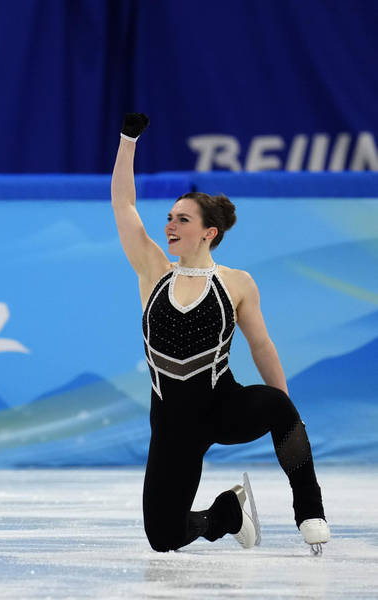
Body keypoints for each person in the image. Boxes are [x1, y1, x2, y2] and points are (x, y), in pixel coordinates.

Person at [111, 113, 330, 554]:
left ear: (208, 233)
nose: (170, 225)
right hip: (173, 425)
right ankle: (230, 513)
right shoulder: (154, 271)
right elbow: (124, 207)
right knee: (163, 537)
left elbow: (261, 345)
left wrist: (286, 411)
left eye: (183, 220)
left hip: (223, 407)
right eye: (170, 217)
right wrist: (127, 141)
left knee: (278, 404)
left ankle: (310, 510)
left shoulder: (236, 283)